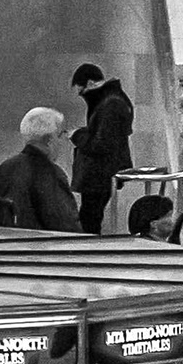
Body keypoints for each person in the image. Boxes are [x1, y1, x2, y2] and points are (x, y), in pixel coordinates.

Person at [67, 62, 138, 236]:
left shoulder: (110, 104)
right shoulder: (113, 100)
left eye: (82, 91)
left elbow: (102, 144)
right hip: (102, 174)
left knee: (90, 219)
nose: (83, 96)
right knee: (91, 217)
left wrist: (77, 135)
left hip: (99, 174)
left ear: (91, 83)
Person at [0, 104, 79, 231]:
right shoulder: (51, 174)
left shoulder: (3, 169)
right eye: (61, 134)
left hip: (5, 245)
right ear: (49, 140)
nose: (64, 140)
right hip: (39, 247)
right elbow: (65, 225)